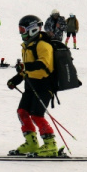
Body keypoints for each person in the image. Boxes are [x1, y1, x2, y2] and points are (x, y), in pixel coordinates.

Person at [6, 15, 58, 156]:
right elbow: (26, 70)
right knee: (22, 112)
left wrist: (25, 66)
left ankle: (50, 145)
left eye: (22, 29)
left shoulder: (43, 45)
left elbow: (43, 64)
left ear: (33, 29)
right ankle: (32, 143)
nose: (21, 32)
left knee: (37, 115)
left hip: (44, 86)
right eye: (20, 29)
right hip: (30, 86)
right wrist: (15, 80)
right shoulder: (27, 46)